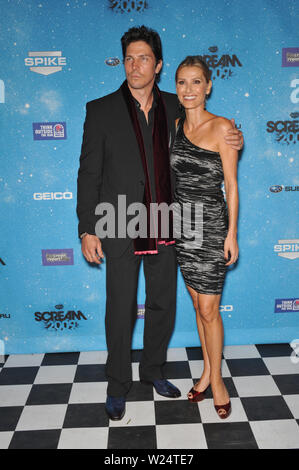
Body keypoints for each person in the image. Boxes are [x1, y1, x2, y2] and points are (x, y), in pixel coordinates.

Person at [76, 26, 243, 421]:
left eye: (144, 58)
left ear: (158, 65)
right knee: (120, 307)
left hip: (170, 222)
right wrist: (87, 227)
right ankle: (118, 384)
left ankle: (153, 370)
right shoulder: (99, 109)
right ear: (123, 62)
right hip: (119, 221)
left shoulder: (176, 105)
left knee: (163, 304)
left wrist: (236, 135)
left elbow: (211, 132)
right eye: (129, 58)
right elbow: (88, 173)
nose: (136, 65)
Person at [171, 56, 239, 419]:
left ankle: (218, 382)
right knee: (199, 306)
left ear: (208, 86)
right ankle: (206, 371)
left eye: (196, 82)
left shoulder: (223, 128)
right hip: (184, 226)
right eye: (182, 82)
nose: (189, 89)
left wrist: (232, 234)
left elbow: (231, 185)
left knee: (210, 309)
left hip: (212, 226)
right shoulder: (175, 126)